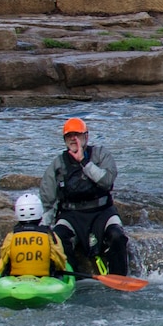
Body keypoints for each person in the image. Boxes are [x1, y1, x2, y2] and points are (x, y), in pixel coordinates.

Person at [41, 117, 129, 278]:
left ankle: (119, 276)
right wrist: (43, 226)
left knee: (117, 236)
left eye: (78, 135)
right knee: (59, 239)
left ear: (86, 137)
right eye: (69, 136)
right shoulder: (58, 164)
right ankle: (73, 278)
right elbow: (49, 200)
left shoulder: (101, 155)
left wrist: (84, 162)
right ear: (64, 140)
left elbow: (107, 181)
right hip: (72, 215)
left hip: (103, 213)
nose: (74, 140)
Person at [0, 192, 71, 281]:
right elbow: (60, 262)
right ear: (40, 213)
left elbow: (2, 263)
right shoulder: (50, 236)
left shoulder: (11, 236)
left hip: (15, 280)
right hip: (46, 280)